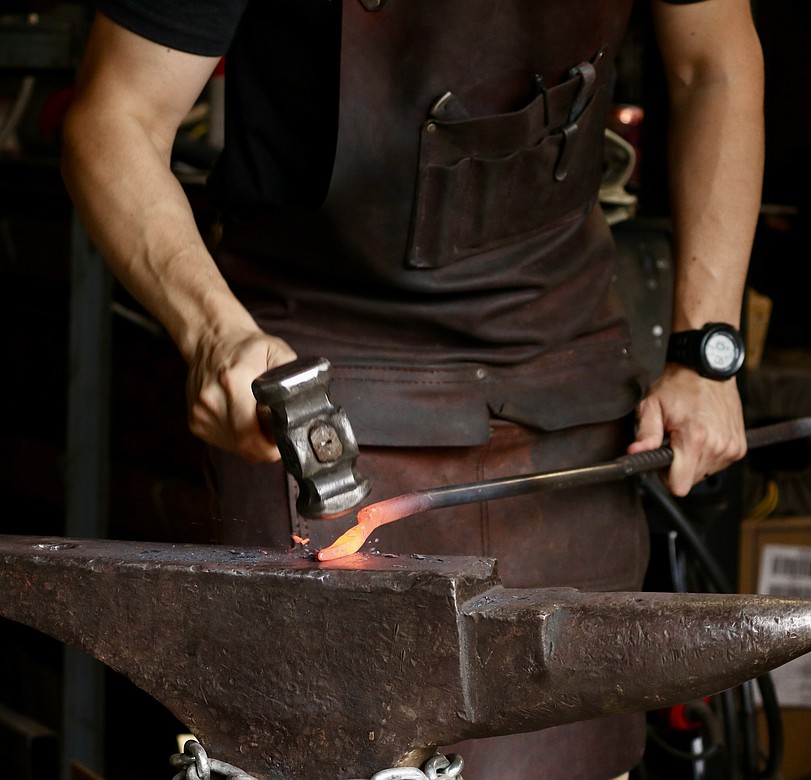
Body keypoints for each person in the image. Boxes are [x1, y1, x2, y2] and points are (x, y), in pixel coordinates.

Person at [60, 1, 764, 778]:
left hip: (562, 381)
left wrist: (708, 353)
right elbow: (115, 118)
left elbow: (716, 66)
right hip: (316, 387)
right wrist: (215, 332)